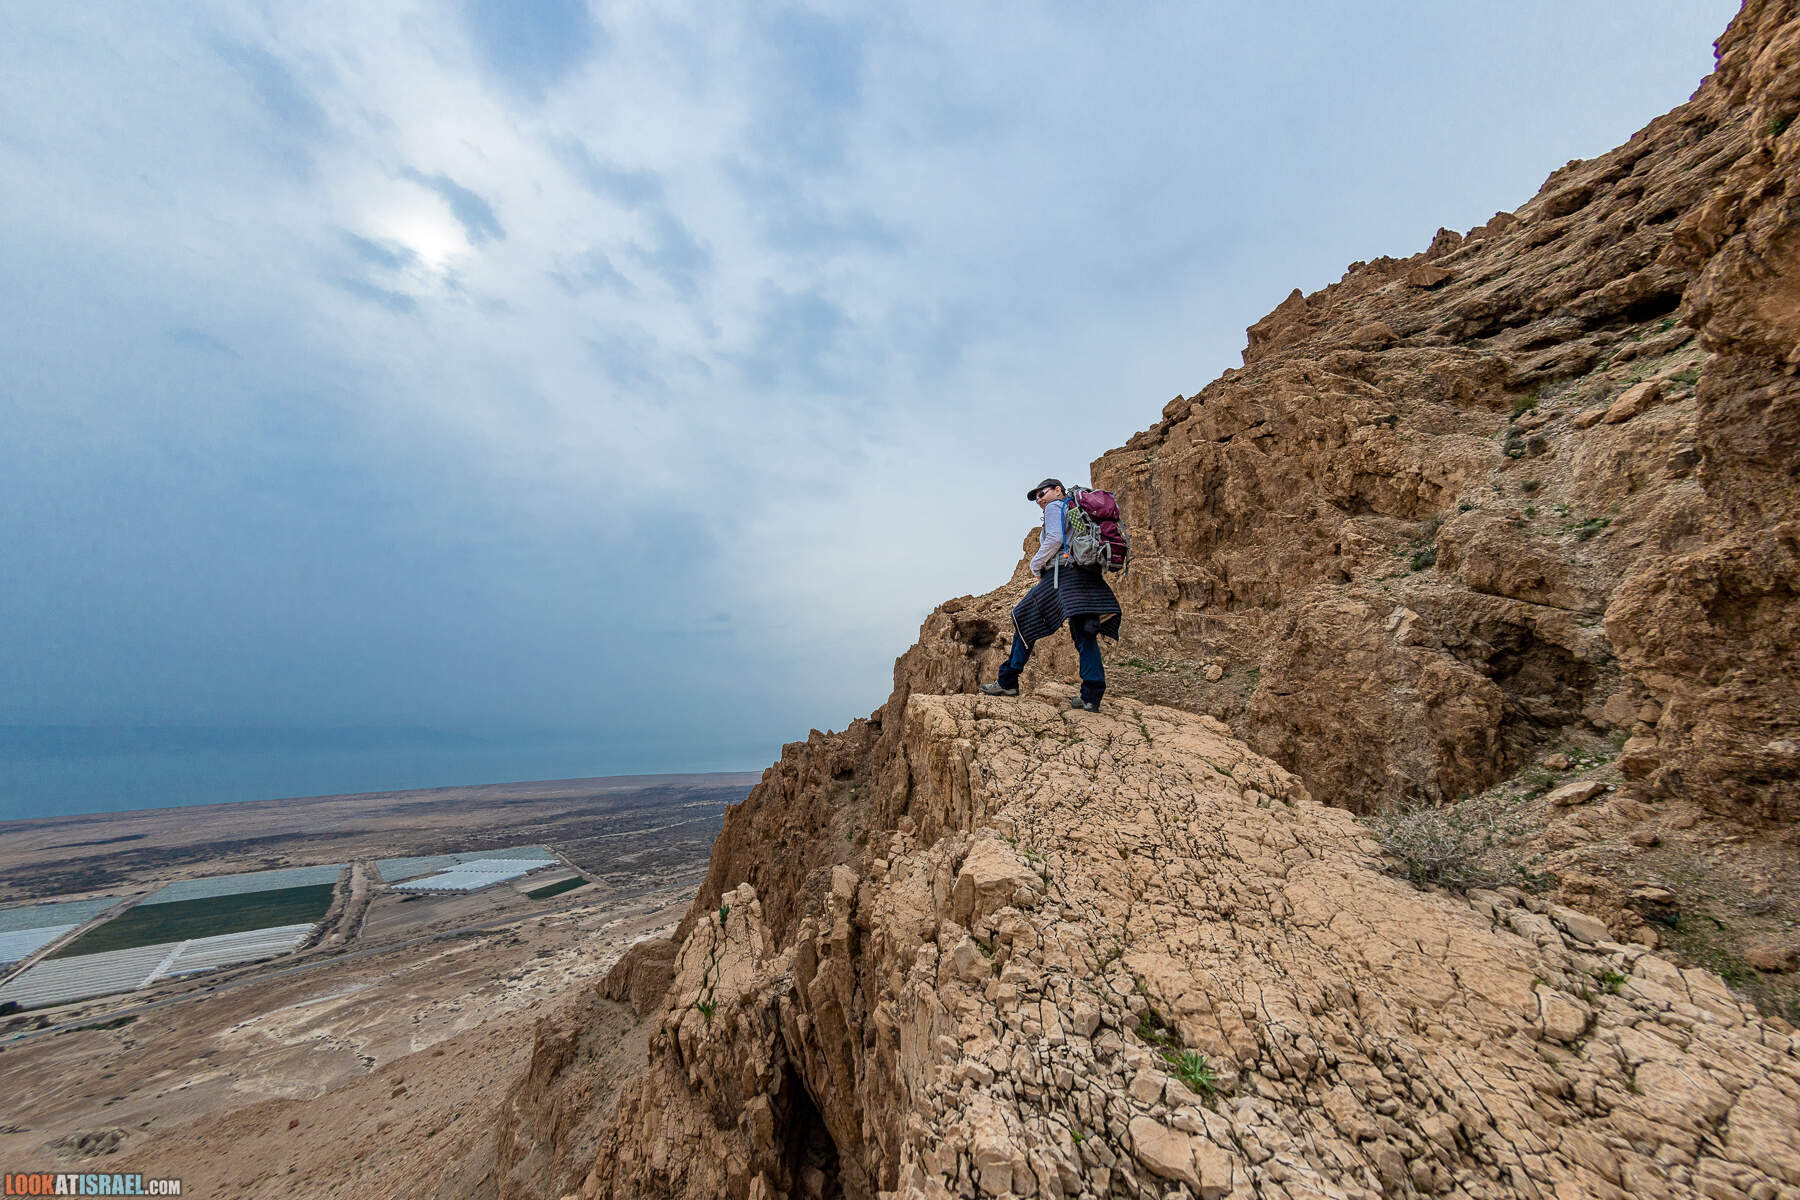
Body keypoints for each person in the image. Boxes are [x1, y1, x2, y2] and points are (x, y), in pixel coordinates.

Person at [980, 478, 1122, 711]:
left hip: (1063, 575)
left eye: (1042, 493)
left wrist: (1035, 565)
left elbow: (1055, 538)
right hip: (1086, 576)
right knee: (1086, 633)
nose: (1039, 499)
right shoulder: (1074, 510)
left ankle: (1007, 682)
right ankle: (1091, 697)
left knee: (1023, 618)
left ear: (1058, 490)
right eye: (1036, 497)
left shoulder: (1057, 506)